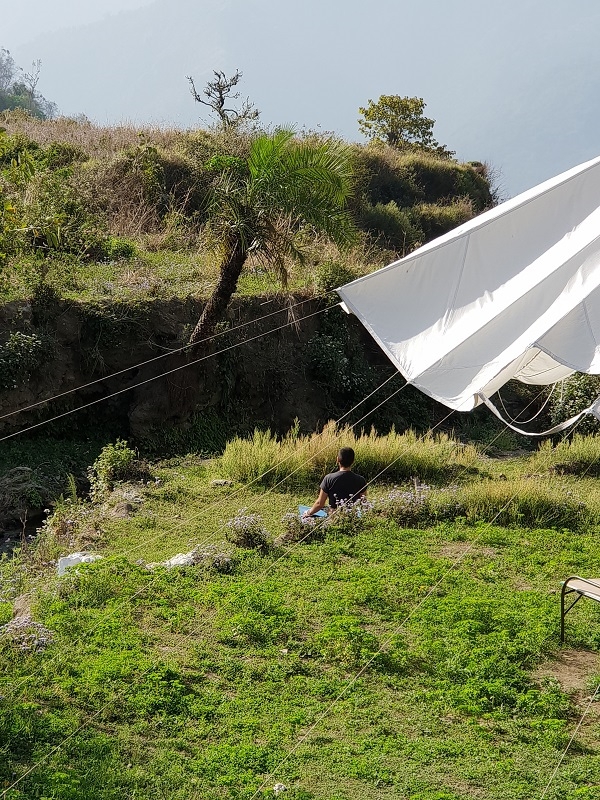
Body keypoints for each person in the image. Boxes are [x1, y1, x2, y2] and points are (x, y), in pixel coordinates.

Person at [303, 447, 367, 517]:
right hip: (351, 516)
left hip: (334, 517)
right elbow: (363, 503)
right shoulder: (361, 480)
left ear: (338, 460)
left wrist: (308, 513)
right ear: (353, 461)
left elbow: (320, 504)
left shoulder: (328, 478)